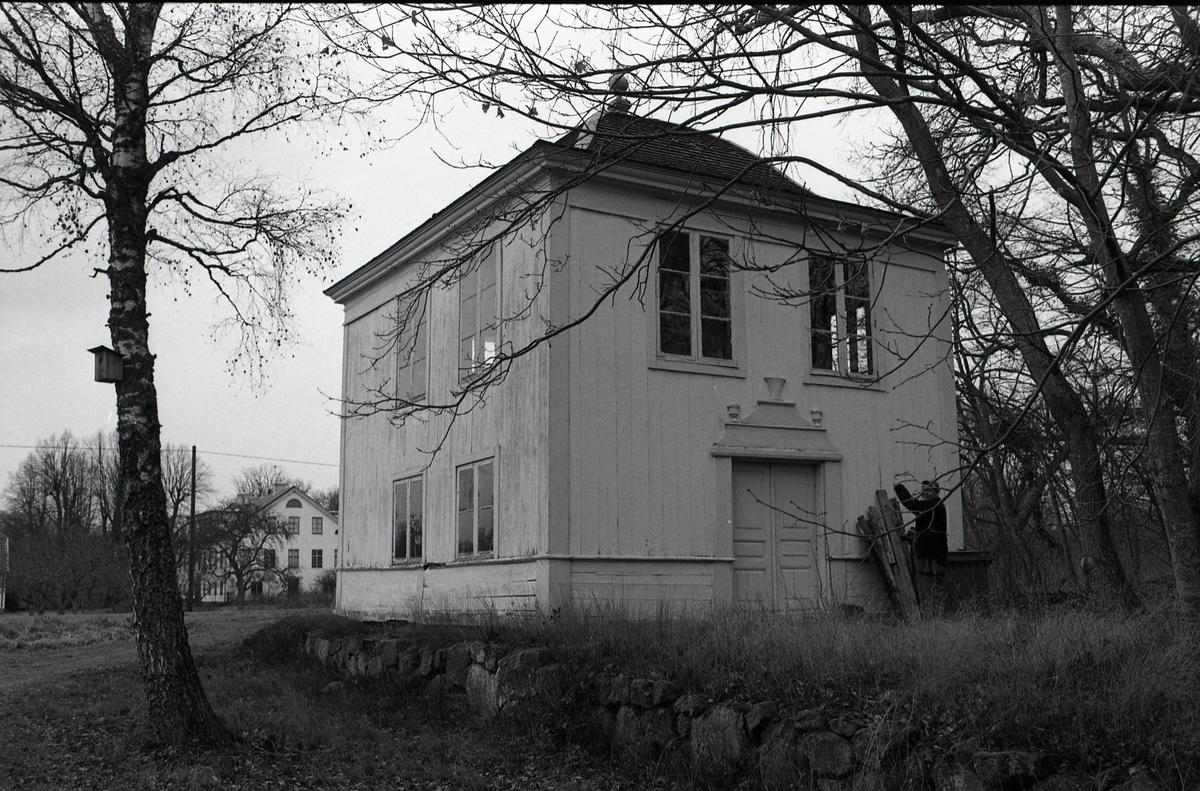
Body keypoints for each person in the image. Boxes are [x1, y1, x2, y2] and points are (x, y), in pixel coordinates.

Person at [893, 479, 948, 594]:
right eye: (923, 490)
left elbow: (913, 505)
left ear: (937, 492)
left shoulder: (934, 506)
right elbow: (928, 527)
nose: (925, 493)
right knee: (929, 592)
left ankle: (931, 607)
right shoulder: (931, 507)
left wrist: (899, 488)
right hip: (929, 557)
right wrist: (915, 532)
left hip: (931, 559)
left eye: (929, 490)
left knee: (930, 592)